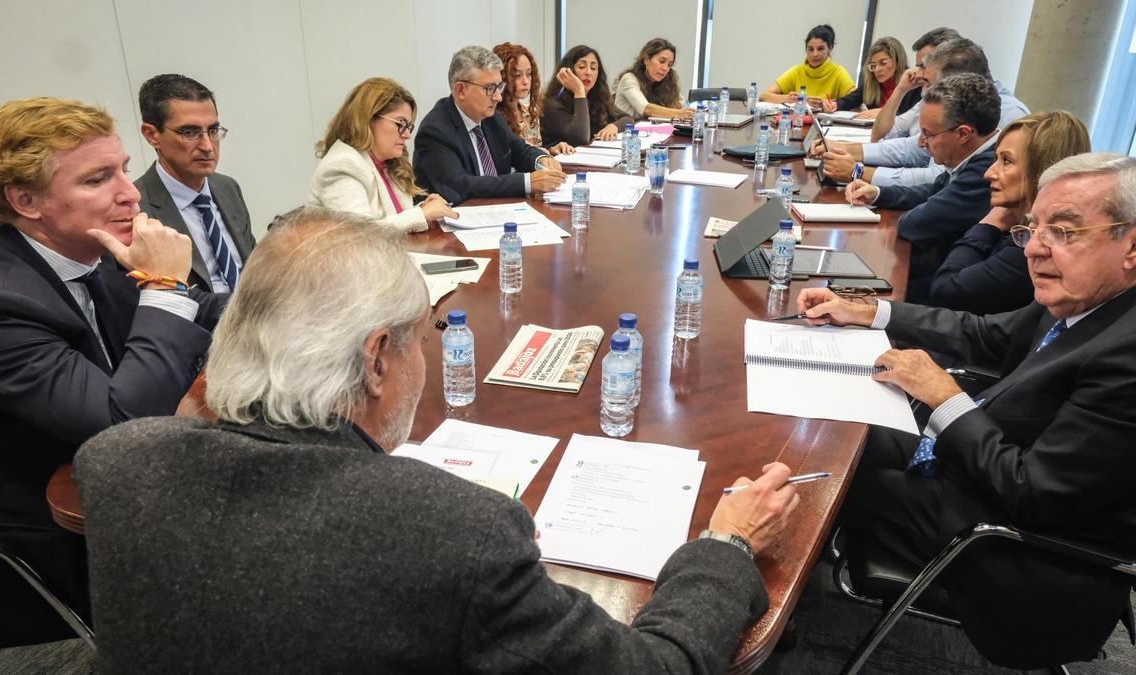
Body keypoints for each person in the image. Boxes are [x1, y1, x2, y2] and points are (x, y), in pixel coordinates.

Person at [75, 208, 802, 673]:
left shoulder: (115, 463)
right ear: (376, 356)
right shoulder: (456, 532)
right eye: (423, 339)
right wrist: (726, 545)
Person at [797, 152, 1136, 669]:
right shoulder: (1093, 295)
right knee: (837, 432)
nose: (1034, 249)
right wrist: (869, 312)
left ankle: (774, 618)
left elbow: (1034, 494)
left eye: (1062, 230)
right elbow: (984, 334)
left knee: (829, 479)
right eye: (1033, 228)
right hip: (988, 469)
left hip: (1027, 554)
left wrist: (945, 397)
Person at [0, 97, 224, 647]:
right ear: (25, 200)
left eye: (124, 169)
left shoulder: (89, 248)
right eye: (98, 178)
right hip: (39, 535)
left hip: (119, 478)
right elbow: (120, 423)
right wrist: (165, 287)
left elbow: (208, 313)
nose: (130, 192)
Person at [844, 73, 1001, 301]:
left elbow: (913, 224)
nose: (920, 142)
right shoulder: (970, 159)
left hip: (948, 294)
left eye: (927, 134)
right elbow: (932, 190)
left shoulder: (985, 170)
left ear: (963, 134)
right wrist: (878, 193)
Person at [931, 111, 1090, 314]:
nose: (989, 173)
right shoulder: (1013, 222)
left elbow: (946, 292)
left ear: (1041, 171)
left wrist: (986, 226)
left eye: (1006, 161)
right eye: (995, 159)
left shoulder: (1032, 249)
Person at [817, 37, 1029, 187]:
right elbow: (911, 146)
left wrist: (859, 172)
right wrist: (846, 150)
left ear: (959, 82)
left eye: (928, 80)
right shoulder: (942, 99)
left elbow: (936, 178)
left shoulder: (1007, 114)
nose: (920, 83)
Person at [134, 74, 255, 293]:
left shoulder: (227, 188)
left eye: (213, 130)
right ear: (152, 135)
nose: (208, 146)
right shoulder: (136, 209)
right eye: (190, 132)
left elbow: (253, 269)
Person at [413, 45, 566, 205]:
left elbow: (520, 150)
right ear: (460, 91)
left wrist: (541, 160)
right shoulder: (435, 131)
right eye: (490, 88)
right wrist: (527, 182)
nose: (498, 97)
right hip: (454, 221)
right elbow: (460, 186)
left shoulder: (491, 118)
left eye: (499, 87)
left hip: (496, 211)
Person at [307, 77, 458, 233]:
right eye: (400, 124)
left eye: (409, 127)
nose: (407, 135)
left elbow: (390, 217)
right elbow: (360, 234)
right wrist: (421, 215)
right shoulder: (343, 165)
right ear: (368, 119)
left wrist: (425, 210)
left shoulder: (387, 163)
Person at [541, 45, 634, 148]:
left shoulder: (598, 97)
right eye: (581, 67)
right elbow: (580, 138)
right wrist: (579, 91)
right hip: (559, 161)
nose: (588, 72)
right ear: (568, 72)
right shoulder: (553, 103)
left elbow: (628, 119)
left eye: (593, 68)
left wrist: (614, 126)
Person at [493, 42, 574, 155]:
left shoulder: (530, 113)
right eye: (517, 75)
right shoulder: (493, 117)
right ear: (501, 77)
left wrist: (552, 151)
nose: (526, 81)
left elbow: (536, 152)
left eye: (529, 74)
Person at [759, 24, 855, 109]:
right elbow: (764, 96)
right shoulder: (797, 71)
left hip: (828, 126)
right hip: (798, 123)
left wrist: (829, 104)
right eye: (810, 49)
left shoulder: (839, 72)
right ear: (806, 49)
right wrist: (788, 98)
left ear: (830, 48)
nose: (815, 54)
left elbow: (856, 103)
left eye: (820, 49)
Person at [835, 37, 920, 120]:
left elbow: (914, 117)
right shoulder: (871, 84)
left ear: (897, 63)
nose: (877, 70)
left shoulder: (913, 85)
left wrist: (883, 112)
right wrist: (832, 105)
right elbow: (847, 101)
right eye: (873, 65)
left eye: (883, 63)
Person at [613, 38, 693, 120]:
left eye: (669, 65)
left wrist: (692, 113)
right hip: (625, 131)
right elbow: (646, 109)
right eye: (662, 61)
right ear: (646, 60)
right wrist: (680, 114)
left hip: (654, 131)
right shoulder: (629, 79)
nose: (665, 68)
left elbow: (682, 107)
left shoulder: (668, 83)